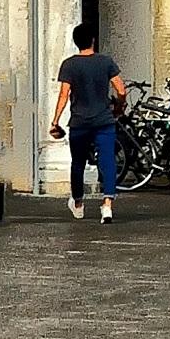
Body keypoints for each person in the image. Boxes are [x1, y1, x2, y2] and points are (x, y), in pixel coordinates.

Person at [50, 21, 127, 223]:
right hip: (104, 120)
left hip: (79, 122)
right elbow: (121, 89)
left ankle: (78, 203)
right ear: (93, 40)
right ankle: (107, 205)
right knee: (108, 161)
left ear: (76, 42)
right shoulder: (106, 61)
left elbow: (64, 95)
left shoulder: (69, 64)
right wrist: (119, 107)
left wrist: (55, 120)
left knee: (78, 163)